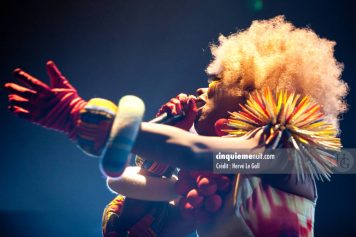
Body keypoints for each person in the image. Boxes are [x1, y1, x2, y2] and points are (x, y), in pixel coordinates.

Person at [4, 16, 348, 236]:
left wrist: (84, 119)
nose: (200, 90)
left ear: (250, 92)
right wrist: (160, 162)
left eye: (214, 83)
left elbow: (196, 151)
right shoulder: (219, 181)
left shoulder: (282, 157)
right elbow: (126, 230)